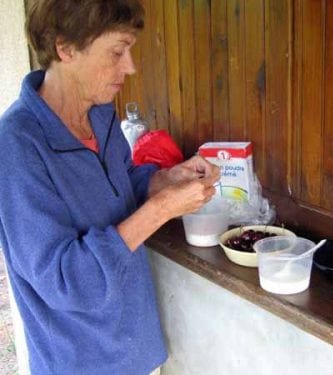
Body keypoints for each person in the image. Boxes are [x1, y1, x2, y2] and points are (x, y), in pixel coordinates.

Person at [0, 1, 220, 374]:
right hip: (81, 364)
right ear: (65, 48)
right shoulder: (17, 146)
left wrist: (163, 180)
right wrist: (162, 208)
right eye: (118, 51)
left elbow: (119, 190)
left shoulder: (100, 114)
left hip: (136, 351)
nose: (130, 66)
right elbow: (65, 281)